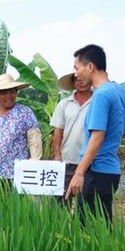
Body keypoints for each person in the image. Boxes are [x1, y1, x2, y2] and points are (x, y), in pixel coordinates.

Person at [65, 45, 125, 224]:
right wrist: (110, 146)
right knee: (102, 227)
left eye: (77, 68)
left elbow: (97, 136)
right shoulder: (118, 90)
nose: (76, 74)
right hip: (110, 171)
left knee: (85, 228)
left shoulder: (101, 95)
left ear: (90, 67)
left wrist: (79, 173)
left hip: (96, 171)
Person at [0, 74, 42, 190]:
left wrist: (33, 162)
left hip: (17, 172)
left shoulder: (25, 113)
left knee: (14, 206)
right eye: (4, 93)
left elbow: (35, 141)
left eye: (11, 92)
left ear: (16, 93)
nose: (8, 96)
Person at [50, 72, 93, 203]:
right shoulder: (64, 104)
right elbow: (58, 131)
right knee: (61, 201)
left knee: (86, 203)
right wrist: (57, 156)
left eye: (83, 79)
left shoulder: (98, 102)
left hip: (91, 162)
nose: (80, 82)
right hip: (68, 160)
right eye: (76, 80)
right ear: (73, 83)